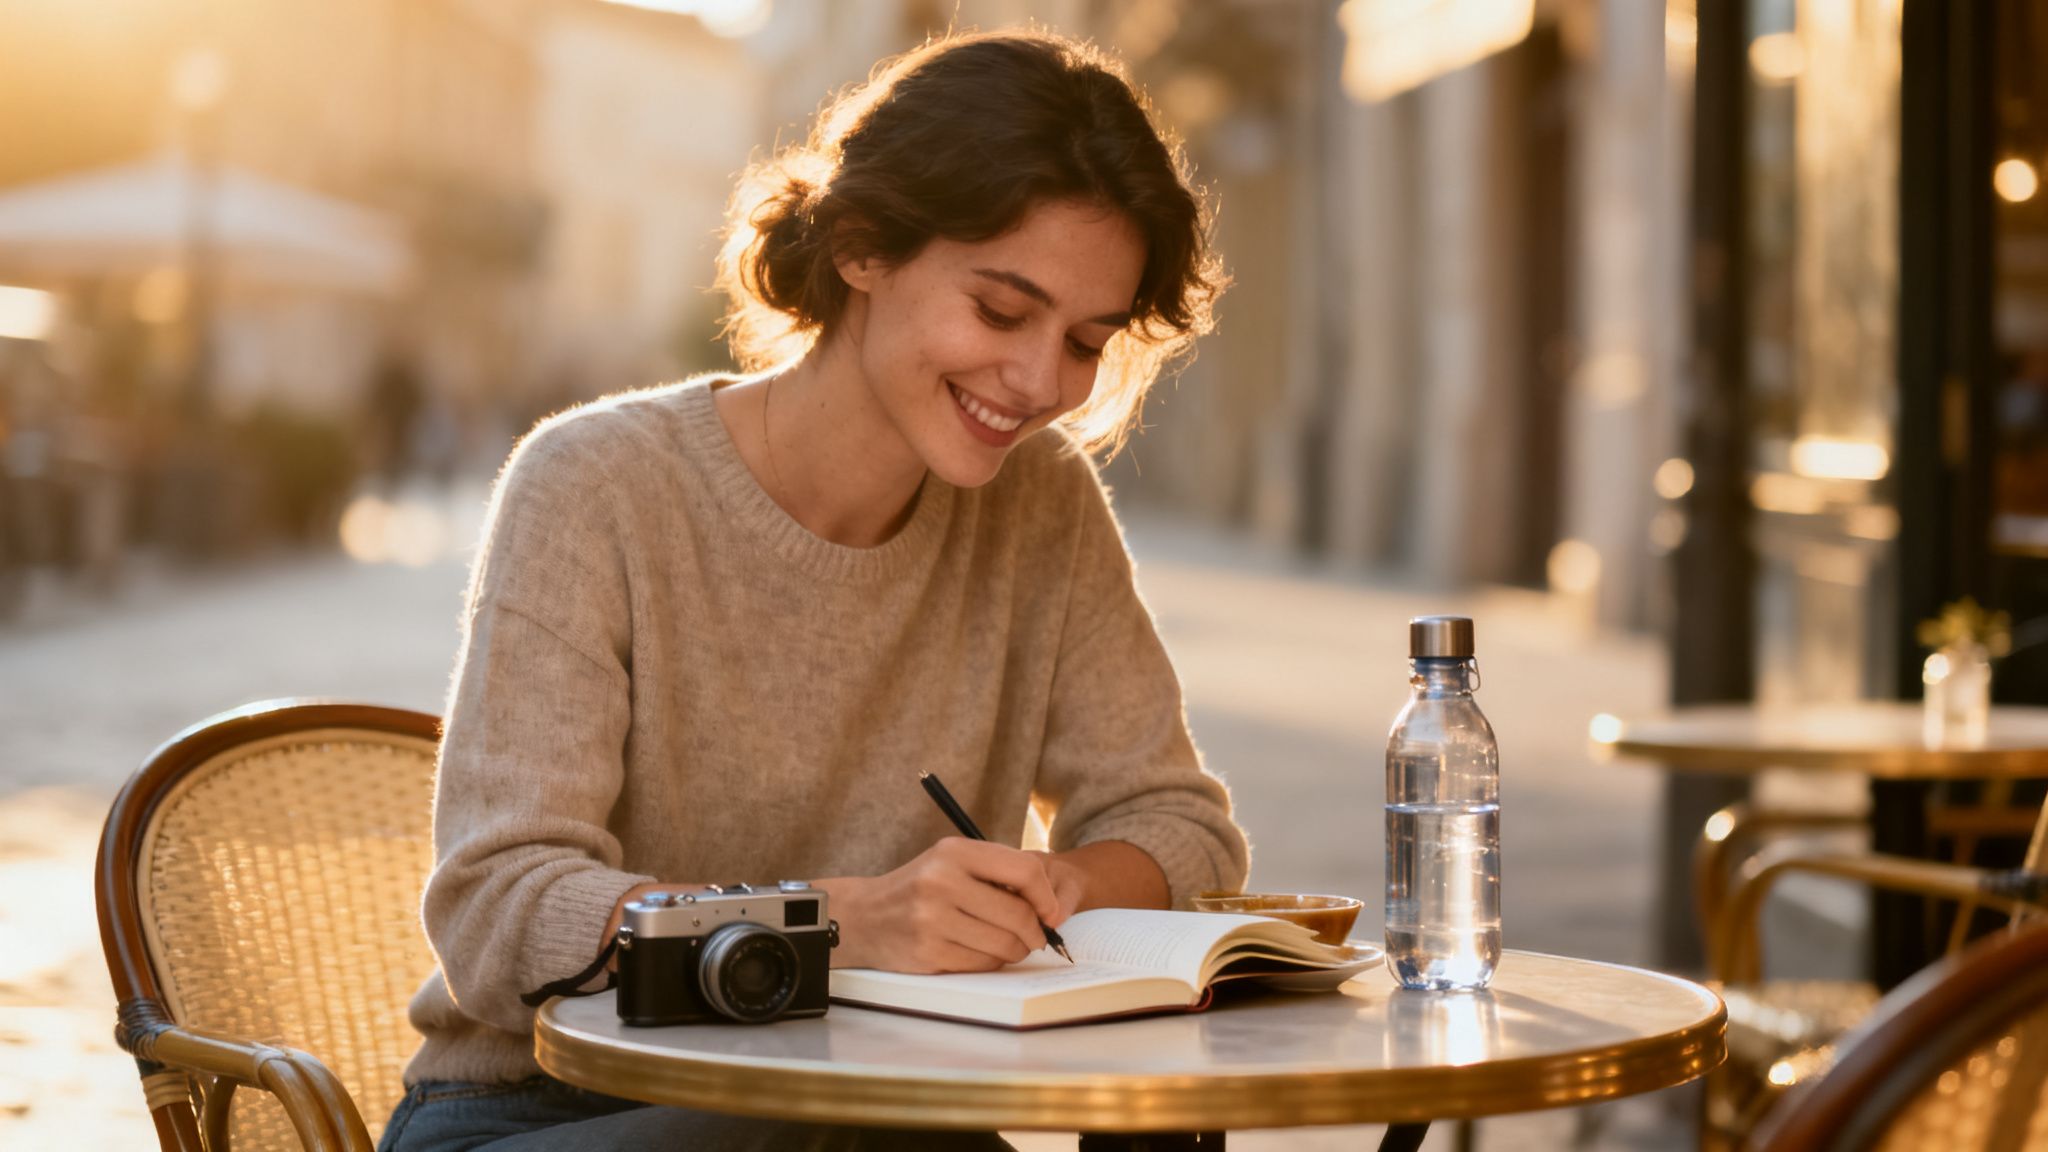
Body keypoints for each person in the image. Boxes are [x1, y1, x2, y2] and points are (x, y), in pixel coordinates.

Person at [381, 28, 1248, 1152]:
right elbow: (499, 911)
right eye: (997, 311)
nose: (1041, 383)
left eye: (1085, 339)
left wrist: (1048, 890)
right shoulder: (595, 484)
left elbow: (1178, 825)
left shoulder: (1041, 505)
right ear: (859, 249)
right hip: (548, 1110)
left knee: (1138, 1126)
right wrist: (843, 926)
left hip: (874, 1109)